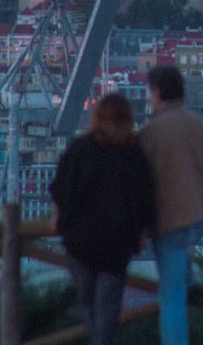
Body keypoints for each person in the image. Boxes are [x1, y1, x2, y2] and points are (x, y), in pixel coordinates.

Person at [49, 92, 155, 345]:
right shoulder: (134, 155)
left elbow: (60, 189)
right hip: (117, 245)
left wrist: (58, 219)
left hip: (80, 241)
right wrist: (141, 233)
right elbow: (144, 201)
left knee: (88, 303)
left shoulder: (79, 150)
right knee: (107, 308)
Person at [139, 65, 203, 345]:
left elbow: (144, 182)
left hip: (171, 220)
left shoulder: (152, 132)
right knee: (179, 276)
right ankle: (191, 284)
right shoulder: (202, 124)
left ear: (157, 92)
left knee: (170, 299)